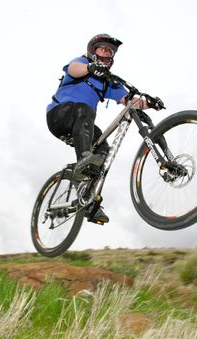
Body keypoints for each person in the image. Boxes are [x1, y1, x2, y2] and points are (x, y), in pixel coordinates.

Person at [46, 34, 147, 224]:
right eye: (104, 49)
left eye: (111, 51)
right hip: (59, 116)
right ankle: (84, 159)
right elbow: (74, 70)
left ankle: (89, 202)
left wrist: (149, 103)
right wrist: (90, 68)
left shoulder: (107, 82)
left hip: (82, 124)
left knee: (104, 153)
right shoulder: (81, 63)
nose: (108, 53)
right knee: (85, 109)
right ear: (93, 51)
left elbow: (129, 101)